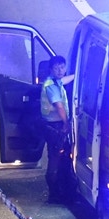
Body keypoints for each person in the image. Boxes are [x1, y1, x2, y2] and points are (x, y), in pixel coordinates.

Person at [40, 55, 73, 203]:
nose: (60, 71)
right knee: (55, 159)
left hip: (53, 126)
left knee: (60, 157)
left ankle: (61, 191)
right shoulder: (51, 86)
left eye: (62, 67)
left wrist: (77, 75)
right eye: (56, 68)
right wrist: (66, 124)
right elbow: (59, 106)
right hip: (55, 127)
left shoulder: (55, 82)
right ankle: (54, 194)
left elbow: (64, 80)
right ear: (51, 70)